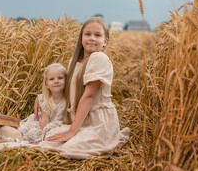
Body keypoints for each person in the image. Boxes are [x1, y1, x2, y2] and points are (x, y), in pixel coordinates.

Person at [35, 17, 129, 158]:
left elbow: (89, 96)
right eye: (88, 34)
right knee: (51, 137)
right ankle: (75, 133)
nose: (92, 38)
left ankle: (92, 138)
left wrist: (72, 131)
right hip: (81, 121)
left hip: (98, 124)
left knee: (67, 149)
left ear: (105, 41)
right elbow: (68, 92)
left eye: (97, 35)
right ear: (81, 38)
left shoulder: (99, 59)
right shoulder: (75, 62)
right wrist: (42, 99)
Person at [18, 63, 67, 143]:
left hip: (58, 125)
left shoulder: (68, 100)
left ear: (66, 81)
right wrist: (42, 135)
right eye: (51, 79)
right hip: (44, 125)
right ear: (47, 84)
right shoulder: (45, 100)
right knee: (30, 133)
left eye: (60, 78)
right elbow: (44, 120)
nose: (56, 81)